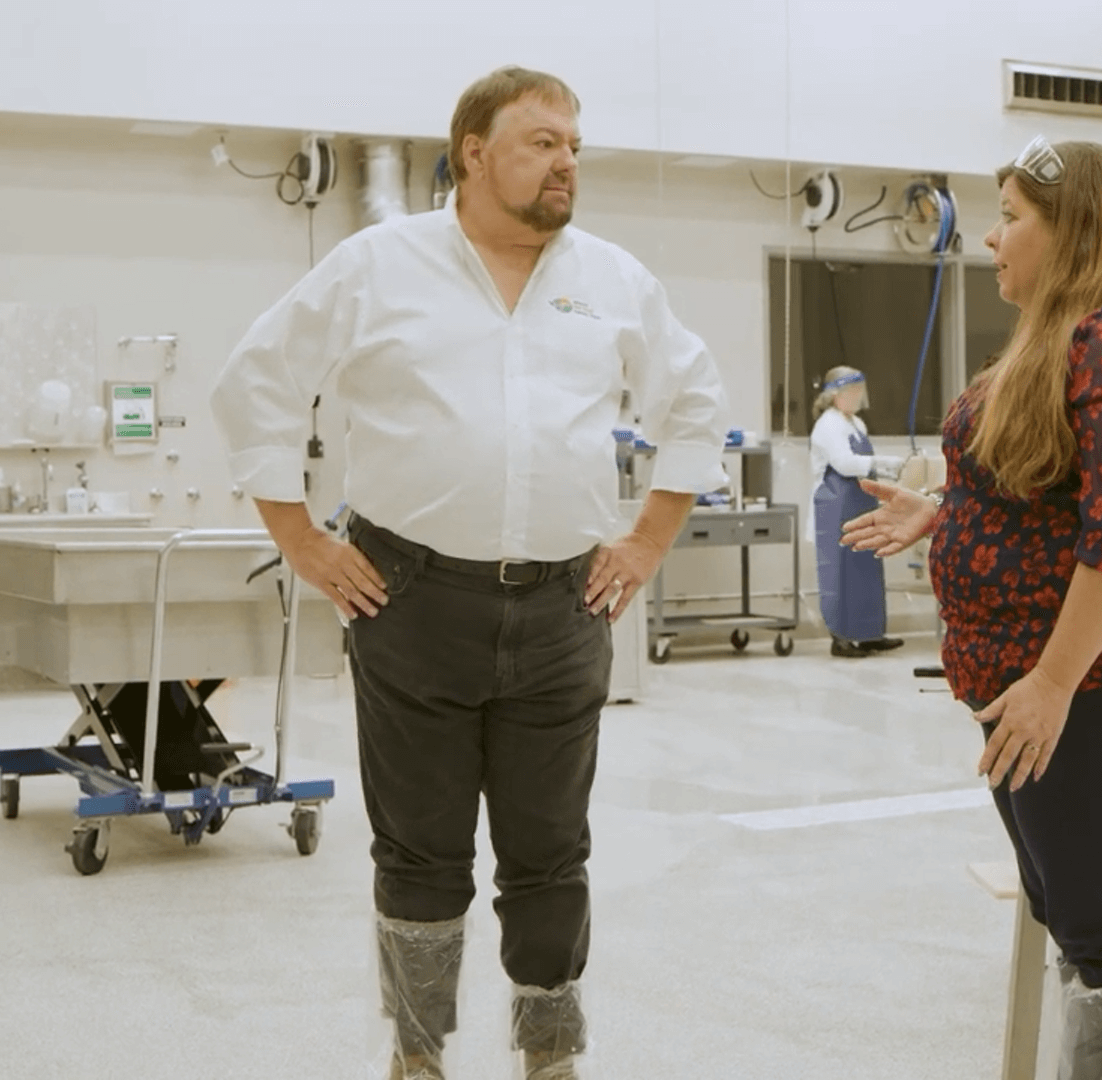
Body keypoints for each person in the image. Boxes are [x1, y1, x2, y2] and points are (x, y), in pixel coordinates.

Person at [210, 66, 728, 1080]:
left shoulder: (612, 279)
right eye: (542, 142)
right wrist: (304, 541)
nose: (566, 161)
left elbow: (695, 404)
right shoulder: (377, 266)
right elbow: (255, 385)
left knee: (550, 854)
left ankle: (548, 1054)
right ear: (474, 155)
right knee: (419, 853)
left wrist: (650, 541)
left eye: (574, 143)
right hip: (412, 601)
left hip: (562, 605)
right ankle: (417, 1051)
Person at [842, 136, 1102, 1079]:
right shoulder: (1065, 339)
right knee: (1074, 910)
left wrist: (1055, 680)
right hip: (1048, 680)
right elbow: (1052, 491)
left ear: (1077, 233)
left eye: (1012, 216)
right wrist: (947, 513)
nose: (991, 237)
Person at [807, 366, 907, 657]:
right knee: (840, 573)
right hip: (834, 507)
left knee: (867, 565)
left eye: (859, 392)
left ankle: (869, 633)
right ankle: (841, 637)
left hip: (861, 501)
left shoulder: (857, 424)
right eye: (851, 392)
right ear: (833, 395)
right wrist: (885, 462)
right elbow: (843, 463)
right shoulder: (828, 424)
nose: (857, 397)